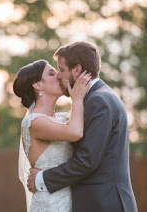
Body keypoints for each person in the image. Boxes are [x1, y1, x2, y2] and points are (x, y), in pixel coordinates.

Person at [27, 41, 138, 212]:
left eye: (61, 69)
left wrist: (42, 178)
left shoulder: (98, 100)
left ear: (77, 70)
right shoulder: (98, 97)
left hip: (104, 204)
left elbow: (87, 160)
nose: (58, 76)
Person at [13, 59, 92, 211]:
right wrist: (78, 98)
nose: (58, 76)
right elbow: (75, 132)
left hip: (71, 202)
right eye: (51, 73)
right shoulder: (34, 122)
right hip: (50, 205)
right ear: (38, 85)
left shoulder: (61, 119)